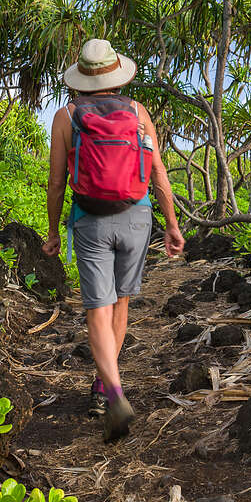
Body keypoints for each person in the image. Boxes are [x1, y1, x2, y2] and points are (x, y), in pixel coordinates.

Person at [42, 38, 184, 441]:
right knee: (120, 303)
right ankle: (104, 385)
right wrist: (172, 225)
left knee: (97, 310)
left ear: (82, 78)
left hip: (91, 220)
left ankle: (114, 390)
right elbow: (158, 174)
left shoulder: (66, 116)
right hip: (137, 219)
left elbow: (56, 183)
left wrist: (53, 231)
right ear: (117, 74)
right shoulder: (138, 113)